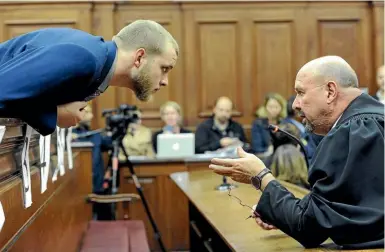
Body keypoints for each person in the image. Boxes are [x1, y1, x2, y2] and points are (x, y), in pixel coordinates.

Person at [209, 56, 384, 249]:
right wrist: (280, 214)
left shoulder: (350, 132)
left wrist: (260, 177)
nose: (294, 104)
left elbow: (308, 228)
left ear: (330, 91)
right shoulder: (373, 121)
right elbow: (331, 211)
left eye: (301, 93)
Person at [0, 20, 179, 135]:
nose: (165, 81)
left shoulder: (96, 63)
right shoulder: (84, 57)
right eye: (164, 68)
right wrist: (54, 114)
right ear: (139, 58)